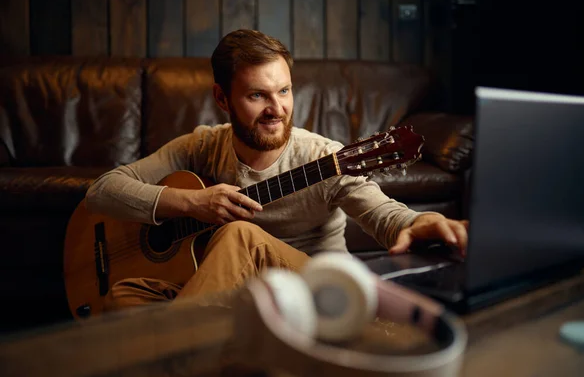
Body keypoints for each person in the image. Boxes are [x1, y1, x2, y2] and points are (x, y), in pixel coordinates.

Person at [85, 29, 469, 311]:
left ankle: (182, 355)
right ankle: (215, 345)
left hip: (312, 289)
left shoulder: (326, 158)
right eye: (257, 95)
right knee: (123, 294)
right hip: (239, 294)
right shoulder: (203, 146)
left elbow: (383, 213)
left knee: (238, 235)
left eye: (284, 91)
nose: (277, 109)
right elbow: (103, 190)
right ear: (222, 98)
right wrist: (191, 203)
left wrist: (417, 222)